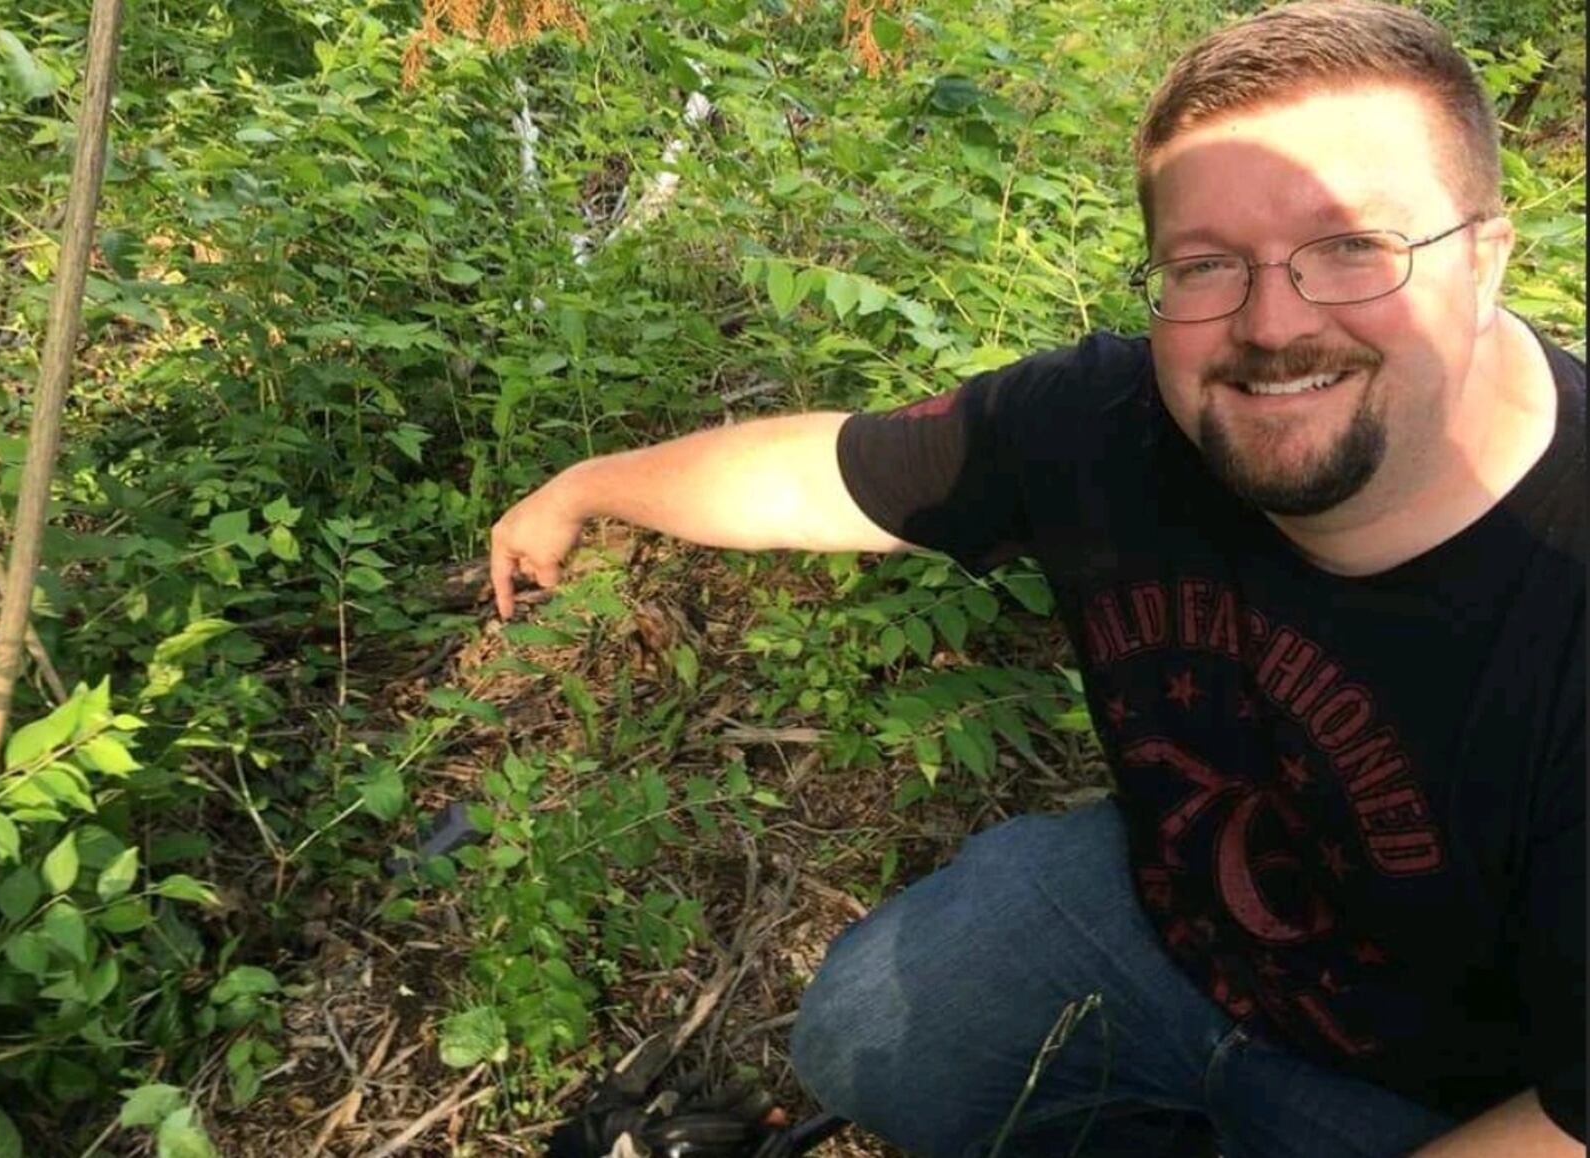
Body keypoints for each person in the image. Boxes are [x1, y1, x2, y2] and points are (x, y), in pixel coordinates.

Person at [489, 2, 1586, 1154]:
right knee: (869, 1033)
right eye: (1203, 263)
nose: (1271, 324)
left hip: (1445, 1092)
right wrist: (589, 483)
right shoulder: (1110, 419)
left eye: (1352, 247)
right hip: (1188, 930)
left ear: (1485, 259)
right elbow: (823, 471)